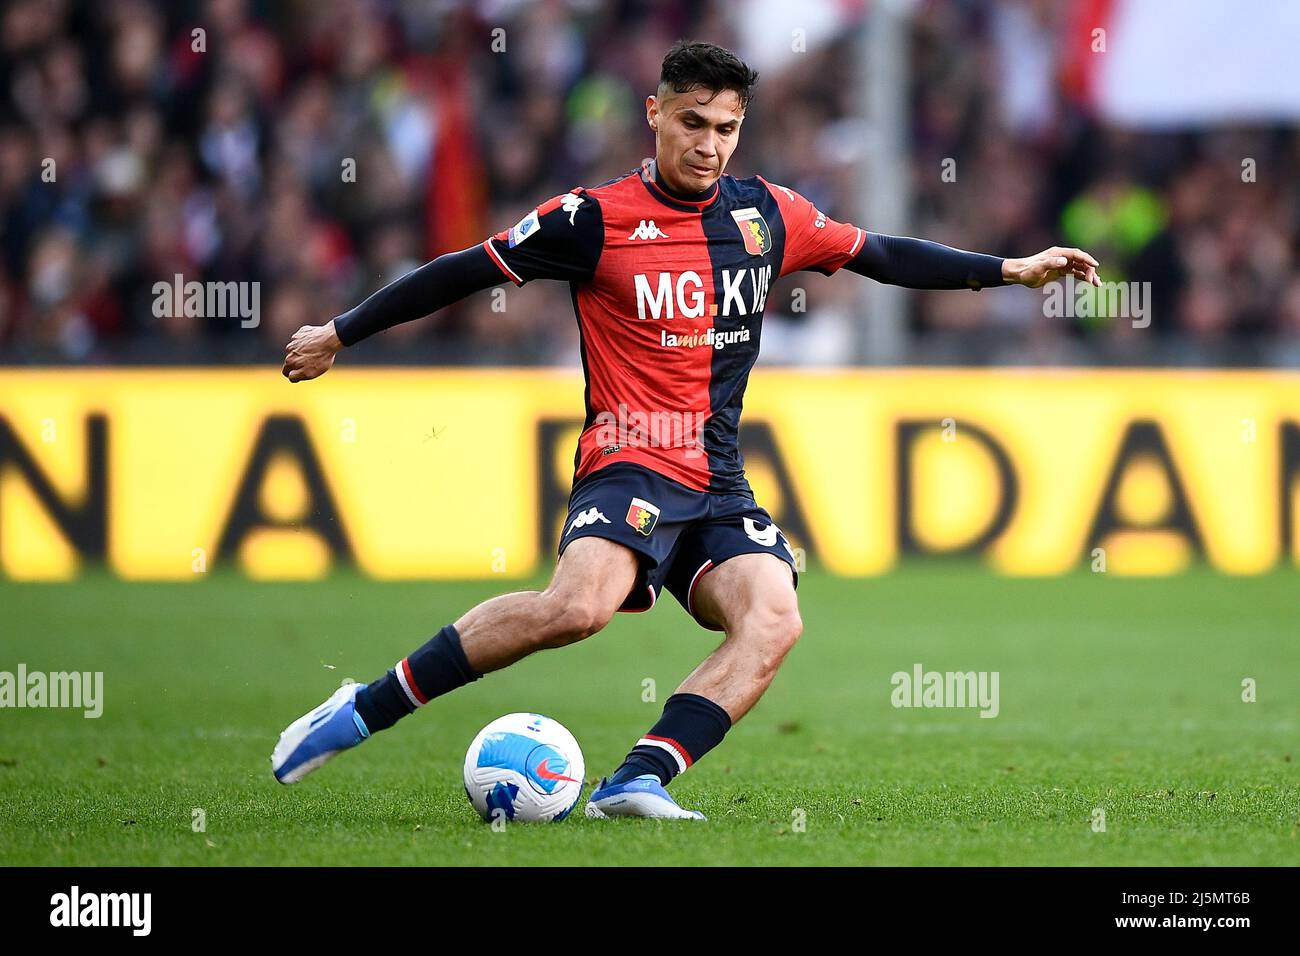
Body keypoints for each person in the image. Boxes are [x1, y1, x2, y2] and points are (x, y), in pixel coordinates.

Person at [272, 40, 1101, 819]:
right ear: (655, 114)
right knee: (578, 609)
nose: (709, 145)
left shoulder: (769, 215)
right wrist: (339, 334)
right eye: (693, 123)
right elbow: (461, 271)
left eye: (727, 129)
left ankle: (637, 778)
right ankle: (365, 705)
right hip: (627, 457)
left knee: (775, 616)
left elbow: (881, 253)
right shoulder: (591, 219)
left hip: (716, 478)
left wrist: (1010, 269)